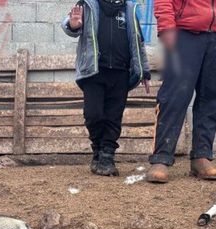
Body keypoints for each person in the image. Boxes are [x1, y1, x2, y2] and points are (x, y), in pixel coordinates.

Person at [145, 0, 216, 184]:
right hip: (186, 33)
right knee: (174, 97)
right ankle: (161, 158)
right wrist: (167, 26)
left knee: (212, 97)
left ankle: (202, 156)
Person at [63, 0, 151, 177]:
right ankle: (97, 148)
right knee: (93, 114)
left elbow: (137, 41)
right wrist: (72, 25)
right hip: (94, 72)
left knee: (113, 117)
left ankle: (107, 157)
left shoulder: (129, 9)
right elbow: (69, 25)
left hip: (120, 73)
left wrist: (144, 71)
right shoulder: (88, 4)